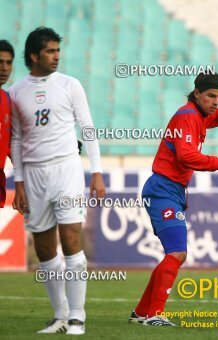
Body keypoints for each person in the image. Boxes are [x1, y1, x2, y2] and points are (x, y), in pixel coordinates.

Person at [128, 72, 218, 326]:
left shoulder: (198, 114)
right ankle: (155, 314)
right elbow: (186, 156)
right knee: (178, 252)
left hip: (171, 190)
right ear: (197, 93)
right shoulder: (188, 117)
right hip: (163, 189)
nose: (215, 101)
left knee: (175, 254)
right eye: (211, 96)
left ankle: (142, 312)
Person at [10, 27, 105, 335]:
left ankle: (78, 316)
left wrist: (97, 172)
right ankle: (60, 315)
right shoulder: (15, 92)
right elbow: (17, 140)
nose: (57, 56)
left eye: (57, 50)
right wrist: (20, 182)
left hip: (66, 170)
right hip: (34, 175)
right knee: (44, 249)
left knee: (71, 240)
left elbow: (88, 128)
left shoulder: (69, 85)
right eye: (50, 51)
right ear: (34, 56)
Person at [0, 40, 14, 211]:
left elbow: (11, 144)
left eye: (8, 63)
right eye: (0, 62)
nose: (4, 68)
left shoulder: (7, 100)